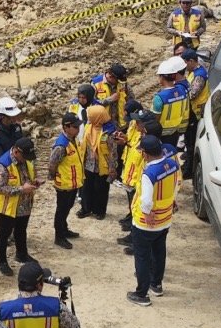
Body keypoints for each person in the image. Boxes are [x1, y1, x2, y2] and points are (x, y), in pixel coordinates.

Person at [127, 135, 179, 306]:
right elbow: (176, 185)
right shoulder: (172, 164)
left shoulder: (149, 173)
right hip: (165, 219)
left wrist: (147, 213)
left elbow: (147, 201)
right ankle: (156, 284)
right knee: (159, 252)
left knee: (142, 257)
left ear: (146, 154)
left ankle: (141, 294)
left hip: (146, 223)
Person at [0, 137, 39, 275]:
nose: (27, 160)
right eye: (25, 156)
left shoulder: (26, 159)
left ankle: (22, 254)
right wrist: (22, 189)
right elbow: (0, 188)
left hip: (24, 203)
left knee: (21, 229)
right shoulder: (2, 165)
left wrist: (34, 182)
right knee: (4, 233)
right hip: (8, 206)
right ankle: (1, 262)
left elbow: (27, 175)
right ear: (17, 152)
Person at [117, 110, 159, 232]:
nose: (136, 123)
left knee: (136, 204)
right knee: (131, 202)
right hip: (130, 175)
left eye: (139, 121)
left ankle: (133, 227)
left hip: (137, 180)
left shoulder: (148, 143)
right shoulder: (138, 133)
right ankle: (130, 218)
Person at [47, 114, 84, 248]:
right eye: (75, 127)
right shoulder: (61, 146)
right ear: (66, 127)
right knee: (61, 210)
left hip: (73, 183)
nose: (78, 129)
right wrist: (54, 177)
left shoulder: (73, 139)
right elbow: (52, 164)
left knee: (67, 207)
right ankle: (59, 236)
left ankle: (64, 229)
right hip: (64, 184)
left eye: (78, 126)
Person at [75, 104, 117, 221]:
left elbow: (113, 152)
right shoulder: (89, 126)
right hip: (88, 164)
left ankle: (100, 211)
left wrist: (112, 169)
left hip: (102, 167)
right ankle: (86, 209)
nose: (88, 118)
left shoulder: (109, 132)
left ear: (98, 117)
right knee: (86, 188)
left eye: (90, 116)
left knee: (101, 189)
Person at [150, 56, 191, 152]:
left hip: (161, 134)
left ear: (162, 77)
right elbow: (185, 112)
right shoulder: (182, 91)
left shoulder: (159, 98)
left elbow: (154, 119)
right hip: (175, 132)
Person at [181, 48, 209, 178]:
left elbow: (192, 94)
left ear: (191, 61)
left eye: (185, 63)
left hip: (196, 113)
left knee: (191, 143)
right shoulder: (194, 72)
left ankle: (189, 170)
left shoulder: (199, 75)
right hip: (193, 111)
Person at [0, 97, 25, 176]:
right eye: (12, 117)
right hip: (0, 172)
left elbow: (21, 147)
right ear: (3, 117)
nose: (15, 119)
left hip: (16, 168)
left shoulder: (16, 127)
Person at [91, 63, 131, 129]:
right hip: (104, 126)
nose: (119, 83)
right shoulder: (95, 84)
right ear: (110, 76)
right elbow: (91, 105)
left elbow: (130, 98)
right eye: (117, 81)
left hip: (122, 125)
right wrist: (109, 100)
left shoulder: (122, 82)